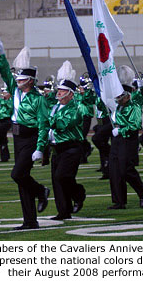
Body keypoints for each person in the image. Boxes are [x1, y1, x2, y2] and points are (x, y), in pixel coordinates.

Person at [0, 39, 50, 230]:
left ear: (30, 81)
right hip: (17, 137)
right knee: (22, 179)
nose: (16, 82)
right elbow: (5, 73)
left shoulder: (38, 99)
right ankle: (30, 221)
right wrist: (1, 54)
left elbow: (44, 124)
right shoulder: (16, 92)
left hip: (31, 138)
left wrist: (40, 148)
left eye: (20, 79)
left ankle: (41, 191)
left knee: (18, 174)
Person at [48, 60, 86, 220]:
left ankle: (78, 194)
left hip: (71, 147)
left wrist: (46, 121)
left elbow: (64, 124)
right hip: (57, 147)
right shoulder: (56, 106)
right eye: (59, 90)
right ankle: (64, 211)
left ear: (71, 93)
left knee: (62, 176)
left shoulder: (75, 107)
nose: (59, 93)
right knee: (56, 180)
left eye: (63, 91)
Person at [108, 65, 143, 210]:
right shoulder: (119, 106)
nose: (118, 99)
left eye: (121, 96)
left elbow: (135, 125)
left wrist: (121, 130)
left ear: (127, 95)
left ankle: (142, 192)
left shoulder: (134, 106)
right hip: (117, 140)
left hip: (128, 140)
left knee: (126, 170)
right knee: (113, 169)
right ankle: (119, 200)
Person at [75, 73, 95, 163]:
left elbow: (87, 99)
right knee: (79, 136)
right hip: (78, 116)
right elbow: (76, 97)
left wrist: (84, 91)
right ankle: (86, 149)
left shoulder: (91, 92)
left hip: (86, 115)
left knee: (81, 136)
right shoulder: (78, 91)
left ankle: (83, 156)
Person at [92, 96, 112, 179]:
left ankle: (110, 154)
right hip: (100, 121)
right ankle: (105, 168)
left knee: (97, 139)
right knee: (101, 145)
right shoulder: (98, 95)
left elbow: (103, 107)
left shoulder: (106, 94)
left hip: (107, 119)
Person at [0, 83, 13, 162]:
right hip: (1, 120)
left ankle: (5, 155)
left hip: (7, 120)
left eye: (5, 92)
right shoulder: (1, 100)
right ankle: (4, 157)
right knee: (2, 139)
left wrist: (1, 99)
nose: (3, 94)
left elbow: (10, 106)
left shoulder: (10, 100)